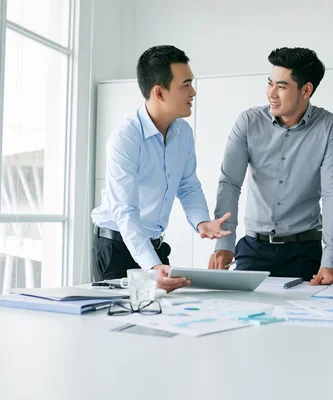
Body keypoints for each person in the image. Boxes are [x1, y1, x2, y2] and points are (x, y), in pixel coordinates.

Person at [92, 45, 231, 293]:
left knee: (160, 317)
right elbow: (125, 211)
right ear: (159, 92)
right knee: (115, 323)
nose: (193, 92)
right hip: (116, 248)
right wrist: (152, 267)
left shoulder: (183, 133)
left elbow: (188, 185)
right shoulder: (125, 139)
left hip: (153, 247)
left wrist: (202, 223)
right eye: (185, 85)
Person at [208, 47, 333, 285]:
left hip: (305, 253)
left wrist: (331, 259)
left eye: (281, 87)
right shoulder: (248, 122)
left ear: (306, 90)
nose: (271, 93)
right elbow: (230, 184)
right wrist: (224, 244)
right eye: (270, 83)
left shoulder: (329, 128)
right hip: (253, 250)